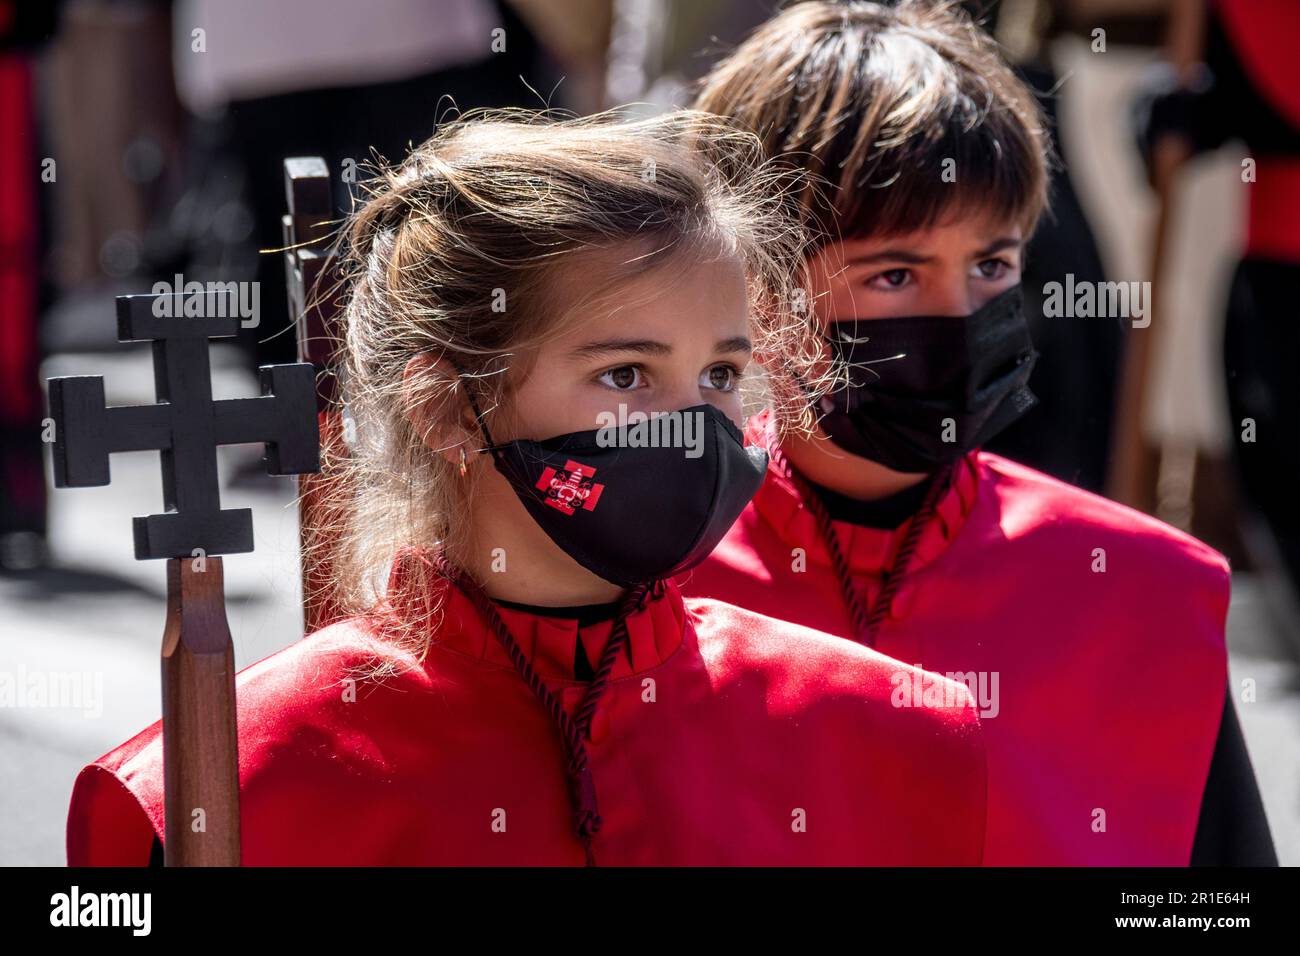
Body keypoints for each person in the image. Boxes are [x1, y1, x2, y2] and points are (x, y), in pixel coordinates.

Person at [65, 108, 986, 866]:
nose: (693, 426)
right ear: (449, 406)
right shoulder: (238, 779)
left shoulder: (890, 735)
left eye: (719, 376)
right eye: (626, 374)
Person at [679, 0, 1275, 866]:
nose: (959, 318)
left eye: (992, 265)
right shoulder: (650, 583)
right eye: (895, 272)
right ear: (756, 291)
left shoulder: (1148, 591)